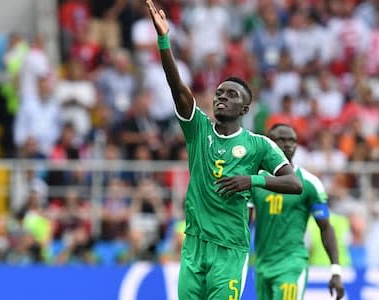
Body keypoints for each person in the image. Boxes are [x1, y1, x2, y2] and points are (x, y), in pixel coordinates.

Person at [145, 1, 303, 299]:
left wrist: (251, 180)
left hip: (229, 252)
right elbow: (177, 87)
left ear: (244, 108)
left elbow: (293, 183)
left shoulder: (259, 145)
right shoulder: (198, 129)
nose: (221, 98)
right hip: (194, 246)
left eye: (231, 95)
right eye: (219, 94)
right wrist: (164, 39)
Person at [250, 124, 344, 300]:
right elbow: (244, 221)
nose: (288, 144)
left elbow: (325, 227)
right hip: (262, 265)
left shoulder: (309, 183)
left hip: (291, 264)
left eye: (292, 140)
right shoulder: (256, 180)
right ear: (269, 143)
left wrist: (336, 270)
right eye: (282, 140)